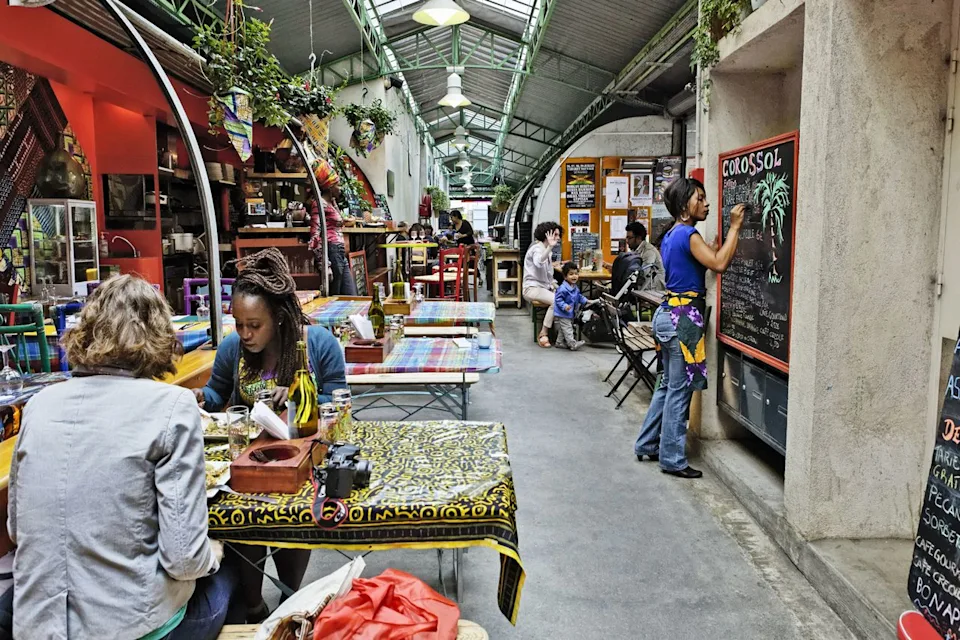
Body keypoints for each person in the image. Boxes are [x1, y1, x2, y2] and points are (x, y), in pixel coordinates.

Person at [7, 275, 238, 639]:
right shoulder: (172, 406)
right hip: (132, 627)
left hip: (38, 626)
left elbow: (16, 529)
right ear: (160, 335)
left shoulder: (38, 405)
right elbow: (185, 558)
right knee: (228, 571)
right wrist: (214, 552)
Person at [195, 248, 347, 620]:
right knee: (248, 529)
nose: (244, 334)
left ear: (278, 318)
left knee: (291, 526)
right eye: (239, 324)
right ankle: (254, 605)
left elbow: (340, 400)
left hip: (301, 465)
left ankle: (289, 601)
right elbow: (218, 395)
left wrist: (299, 396)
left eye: (254, 325)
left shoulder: (318, 344)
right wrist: (202, 397)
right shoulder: (233, 348)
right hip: (246, 466)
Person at [634, 178, 745, 479]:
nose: (706, 204)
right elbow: (719, 264)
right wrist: (735, 227)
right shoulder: (689, 234)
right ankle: (671, 458)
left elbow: (696, 263)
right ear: (685, 207)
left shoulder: (671, 235)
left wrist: (708, 250)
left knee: (667, 386)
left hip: (667, 315)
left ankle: (647, 443)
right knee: (680, 391)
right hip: (683, 318)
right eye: (700, 198)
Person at [308, 169, 357, 296]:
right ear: (330, 187)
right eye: (337, 185)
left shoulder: (331, 203)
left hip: (340, 252)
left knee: (350, 294)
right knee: (336, 296)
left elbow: (336, 221)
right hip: (332, 252)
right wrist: (324, 264)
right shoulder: (319, 204)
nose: (340, 188)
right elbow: (314, 234)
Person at [523, 221, 562, 348]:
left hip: (542, 288)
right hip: (532, 288)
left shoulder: (546, 250)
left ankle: (562, 333)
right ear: (547, 235)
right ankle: (543, 333)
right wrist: (550, 247)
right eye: (555, 235)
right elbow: (539, 262)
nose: (558, 238)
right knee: (556, 301)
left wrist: (556, 286)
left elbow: (548, 276)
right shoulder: (536, 248)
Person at [554, 262, 591, 351]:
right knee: (568, 328)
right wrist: (564, 306)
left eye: (576, 274)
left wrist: (586, 301)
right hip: (563, 313)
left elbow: (579, 296)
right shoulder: (563, 288)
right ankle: (572, 344)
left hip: (570, 312)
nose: (574, 276)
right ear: (565, 276)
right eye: (571, 274)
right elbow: (558, 299)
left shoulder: (574, 287)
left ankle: (559, 342)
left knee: (564, 329)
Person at [625, 221, 665, 291]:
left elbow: (642, 274)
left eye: (629, 238)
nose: (627, 241)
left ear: (638, 238)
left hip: (653, 291)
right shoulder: (636, 250)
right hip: (644, 288)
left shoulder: (649, 252)